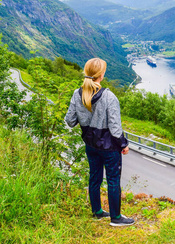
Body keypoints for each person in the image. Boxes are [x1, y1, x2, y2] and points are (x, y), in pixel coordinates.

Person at [65, 58, 134, 227]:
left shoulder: (77, 93)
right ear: (101, 75)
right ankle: (116, 218)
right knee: (112, 181)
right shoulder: (109, 97)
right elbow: (115, 128)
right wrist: (124, 145)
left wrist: (84, 116)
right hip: (109, 147)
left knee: (94, 178)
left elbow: (70, 121)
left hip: (91, 145)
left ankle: (97, 212)